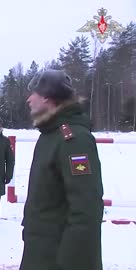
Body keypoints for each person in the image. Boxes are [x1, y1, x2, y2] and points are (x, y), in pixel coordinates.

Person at [20, 69, 103, 270]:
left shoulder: (73, 140)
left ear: (48, 97)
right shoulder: (50, 134)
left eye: (34, 94)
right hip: (41, 252)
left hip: (60, 259)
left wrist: (71, 261)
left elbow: (86, 209)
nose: (29, 99)